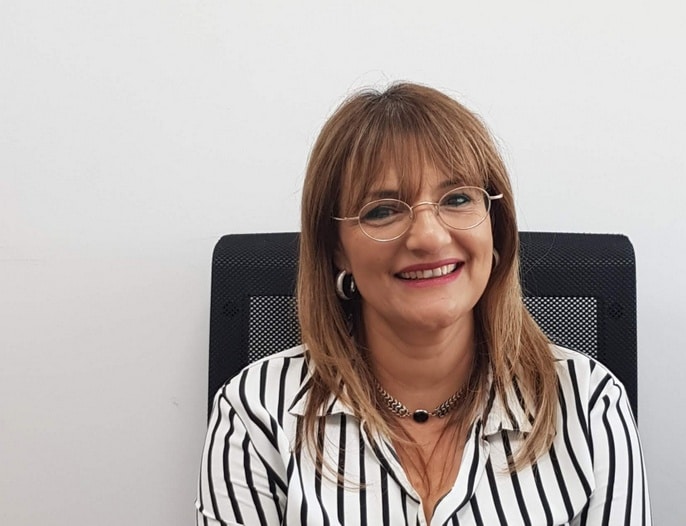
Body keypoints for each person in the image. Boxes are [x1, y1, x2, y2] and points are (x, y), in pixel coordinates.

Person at [196, 82, 651, 526]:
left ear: (494, 225)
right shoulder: (256, 414)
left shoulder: (589, 405)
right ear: (336, 249)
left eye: (457, 199)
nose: (429, 237)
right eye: (382, 210)